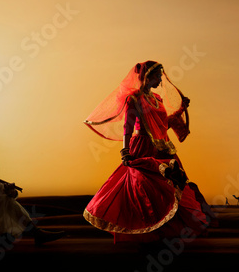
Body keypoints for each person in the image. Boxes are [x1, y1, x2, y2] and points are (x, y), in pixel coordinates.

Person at [83, 61, 216, 243]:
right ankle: (147, 232)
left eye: (160, 75)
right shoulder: (134, 99)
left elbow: (163, 125)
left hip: (163, 149)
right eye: (157, 76)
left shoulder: (157, 99)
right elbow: (127, 127)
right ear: (147, 77)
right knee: (145, 188)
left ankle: (169, 230)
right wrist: (125, 150)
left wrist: (181, 110)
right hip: (143, 147)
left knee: (171, 187)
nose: (161, 79)